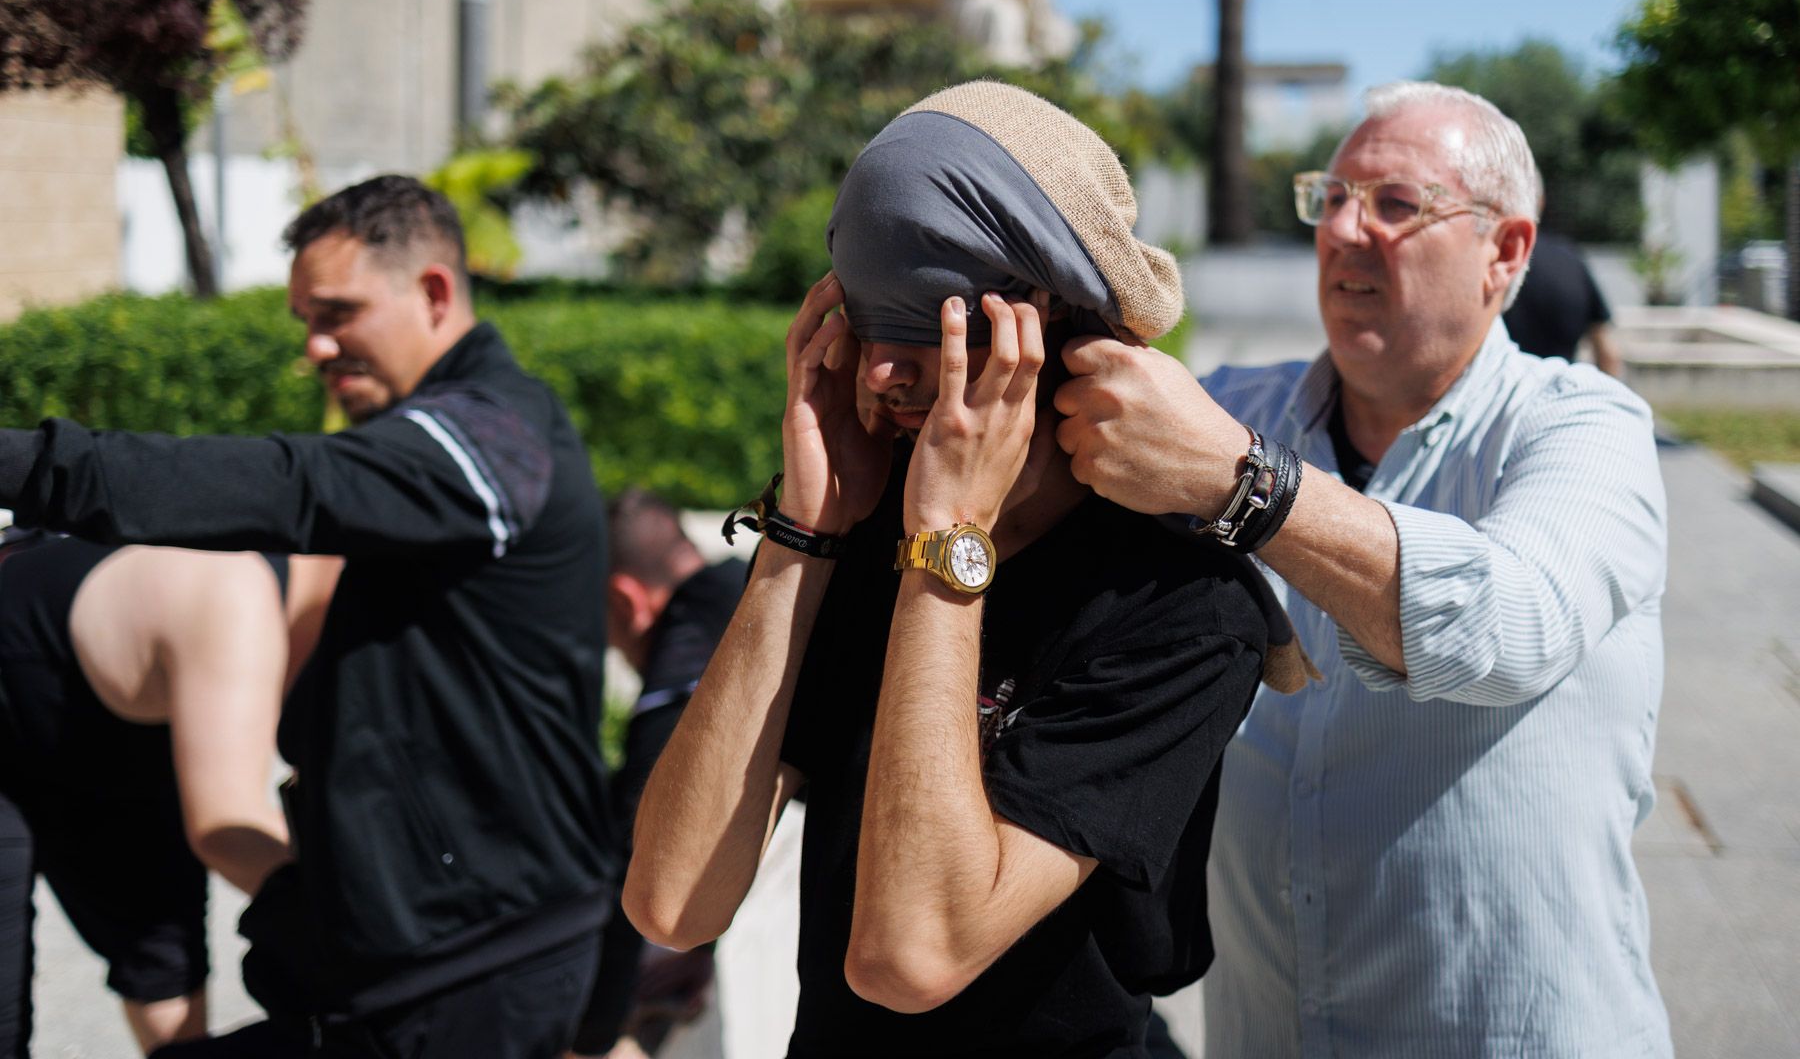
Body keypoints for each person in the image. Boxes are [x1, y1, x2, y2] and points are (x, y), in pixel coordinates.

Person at [625, 81, 1306, 1058]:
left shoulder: (1182, 604)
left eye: (926, 327)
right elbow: (672, 898)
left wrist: (946, 547)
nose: (881, 374)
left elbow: (913, 955)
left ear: (1046, 333)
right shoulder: (858, 536)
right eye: (868, 319)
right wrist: (802, 535)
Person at [1053, 81, 1671, 1057]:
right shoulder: (1232, 406)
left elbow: (1511, 626)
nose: (1344, 229)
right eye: (1330, 197)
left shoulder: (1585, 427)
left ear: (1505, 252)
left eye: (1394, 204)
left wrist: (1244, 487)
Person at [0, 175, 617, 1058]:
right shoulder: (449, 446)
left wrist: (27, 468)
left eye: (338, 312)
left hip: (474, 970)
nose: (318, 346)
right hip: (414, 969)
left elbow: (290, 486)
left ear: (435, 292)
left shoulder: (493, 439)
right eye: (304, 321)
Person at [0, 531, 340, 1055]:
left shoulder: (330, 612)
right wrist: (373, 923)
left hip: (98, 715)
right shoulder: (236, 591)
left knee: (166, 956)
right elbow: (228, 828)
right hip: (27, 651)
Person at [571, 489, 746, 1059]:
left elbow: (641, 868)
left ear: (625, 602)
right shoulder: (749, 591)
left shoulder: (682, 676)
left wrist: (595, 1036)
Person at [1503, 226, 1625, 375]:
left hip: (1502, 386)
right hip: (1561, 385)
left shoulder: (1497, 260)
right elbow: (1607, 352)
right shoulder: (1569, 257)